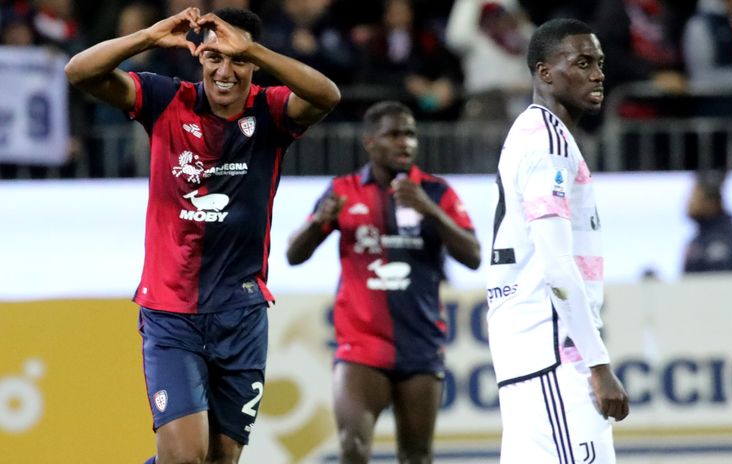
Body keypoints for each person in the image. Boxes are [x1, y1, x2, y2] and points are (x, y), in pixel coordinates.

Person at [64, 6, 340, 464]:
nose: (225, 71)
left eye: (238, 60)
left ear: (255, 64)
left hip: (241, 314)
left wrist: (252, 47)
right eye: (214, 58)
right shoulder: (164, 99)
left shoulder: (270, 111)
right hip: (172, 313)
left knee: (220, 460)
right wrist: (148, 37)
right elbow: (79, 71)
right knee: (183, 457)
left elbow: (326, 95)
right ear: (200, 60)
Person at [285, 100, 480, 464]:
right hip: (360, 346)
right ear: (370, 142)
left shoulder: (436, 192)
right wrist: (317, 223)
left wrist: (431, 211)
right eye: (393, 134)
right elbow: (294, 256)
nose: (405, 142)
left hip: (420, 344)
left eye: (410, 134)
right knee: (353, 449)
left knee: (417, 456)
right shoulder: (342, 190)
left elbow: (473, 256)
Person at [485, 18, 629, 462]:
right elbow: (557, 264)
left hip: (532, 355)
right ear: (545, 72)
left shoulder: (539, 134)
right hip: (555, 356)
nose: (598, 74)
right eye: (582, 62)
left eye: (600, 63)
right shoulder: (548, 144)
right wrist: (598, 366)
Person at [683, 171, 732, 273]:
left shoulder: (720, 241)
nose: (689, 203)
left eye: (694, 197)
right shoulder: (699, 240)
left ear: (711, 204)